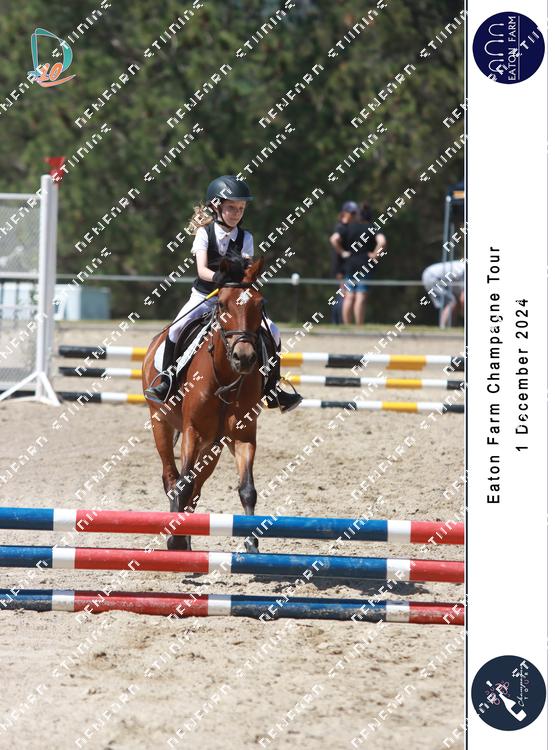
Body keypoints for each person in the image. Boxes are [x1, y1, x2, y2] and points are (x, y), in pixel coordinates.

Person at [145, 175, 302, 412]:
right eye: (231, 208)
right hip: (205, 297)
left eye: (241, 208)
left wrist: (243, 282)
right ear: (216, 206)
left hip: (234, 300)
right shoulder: (204, 233)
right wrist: (220, 278)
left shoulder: (245, 237)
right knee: (176, 328)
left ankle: (272, 388)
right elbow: (201, 270)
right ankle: (167, 381)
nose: (237, 213)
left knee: (274, 331)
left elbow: (246, 268)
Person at [335, 203, 386, 325]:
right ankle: (359, 326)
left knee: (349, 296)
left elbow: (335, 239)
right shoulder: (372, 227)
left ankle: (347, 326)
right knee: (360, 295)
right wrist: (375, 254)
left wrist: (342, 252)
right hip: (365, 265)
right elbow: (382, 242)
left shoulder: (349, 227)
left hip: (350, 265)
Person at [328, 201, 358, 324]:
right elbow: (333, 239)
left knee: (343, 294)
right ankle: (337, 321)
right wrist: (342, 252)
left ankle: (338, 322)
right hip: (340, 266)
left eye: (355, 213)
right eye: (352, 213)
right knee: (343, 294)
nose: (354, 215)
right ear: (345, 213)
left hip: (344, 266)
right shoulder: (342, 227)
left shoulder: (348, 226)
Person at [421, 260, 465, 327]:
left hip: (430, 274)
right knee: (451, 302)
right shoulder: (465, 271)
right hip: (433, 276)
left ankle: (448, 327)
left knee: (451, 302)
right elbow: (463, 299)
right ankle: (444, 328)